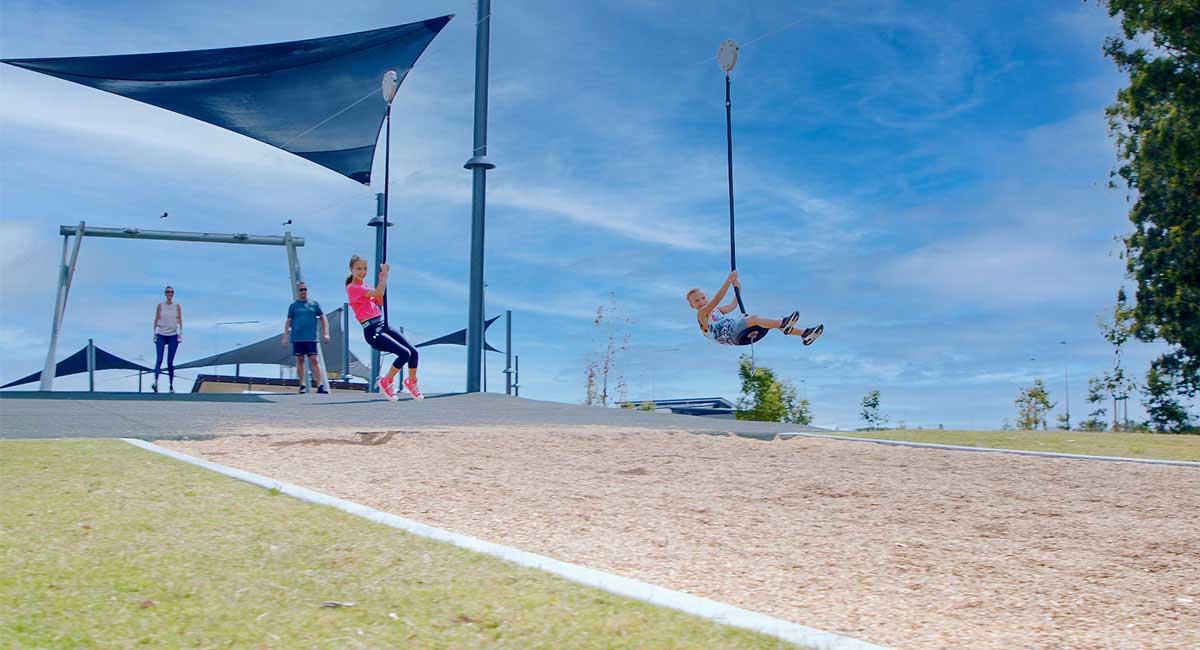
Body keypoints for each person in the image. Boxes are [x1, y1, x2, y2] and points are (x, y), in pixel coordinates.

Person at [345, 255, 423, 400]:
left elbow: (379, 299)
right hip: (372, 329)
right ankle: (386, 381)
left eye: (364, 269)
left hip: (382, 323)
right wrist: (384, 277)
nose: (362, 272)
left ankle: (411, 382)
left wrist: (382, 280)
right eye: (359, 269)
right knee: (404, 354)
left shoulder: (365, 286)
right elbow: (379, 293)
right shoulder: (352, 288)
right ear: (351, 269)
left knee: (413, 352)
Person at [687, 270, 822, 346]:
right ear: (692, 305)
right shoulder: (701, 314)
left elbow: (733, 306)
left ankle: (805, 334)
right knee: (755, 318)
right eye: (696, 301)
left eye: (703, 298)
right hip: (731, 335)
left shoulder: (716, 311)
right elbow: (716, 300)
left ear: (707, 298)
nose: (701, 302)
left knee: (767, 322)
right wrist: (728, 281)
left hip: (735, 329)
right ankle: (783, 322)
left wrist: (737, 291)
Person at [282, 281, 330, 394]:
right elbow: (288, 322)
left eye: (305, 289)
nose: (303, 291)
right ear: (298, 292)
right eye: (301, 290)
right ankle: (302, 385)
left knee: (314, 359)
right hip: (297, 337)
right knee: (300, 359)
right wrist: (285, 337)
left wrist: (326, 333)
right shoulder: (293, 306)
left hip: (311, 338)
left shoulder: (314, 304)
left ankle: (320, 385)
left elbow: (323, 318)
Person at [151, 285, 183, 392]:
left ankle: (171, 385)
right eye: (168, 292)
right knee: (159, 359)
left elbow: (179, 320)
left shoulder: (177, 306)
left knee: (170, 362)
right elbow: (156, 319)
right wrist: (155, 333)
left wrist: (180, 334)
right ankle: (156, 382)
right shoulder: (160, 306)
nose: (170, 294)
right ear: (165, 293)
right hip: (161, 334)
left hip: (173, 335)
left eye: (172, 292)